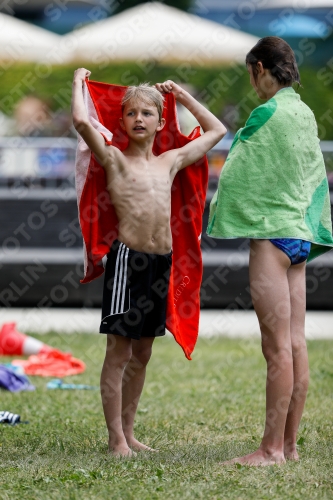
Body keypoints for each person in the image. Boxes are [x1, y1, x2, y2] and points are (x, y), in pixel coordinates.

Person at [72, 68, 226, 457]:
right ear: (121, 122)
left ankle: (129, 431)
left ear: (160, 123)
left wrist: (181, 97)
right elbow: (79, 120)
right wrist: (78, 81)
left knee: (143, 353)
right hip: (128, 263)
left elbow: (217, 130)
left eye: (147, 113)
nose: (138, 119)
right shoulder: (114, 159)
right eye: (130, 113)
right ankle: (115, 440)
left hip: (161, 265)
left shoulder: (170, 161)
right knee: (119, 351)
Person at [207, 37, 333, 466]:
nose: (253, 85)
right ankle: (291, 446)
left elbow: (240, 172)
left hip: (273, 240)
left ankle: (270, 450)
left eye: (251, 75)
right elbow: (309, 174)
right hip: (299, 237)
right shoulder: (304, 112)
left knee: (275, 348)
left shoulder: (268, 113)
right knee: (296, 343)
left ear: (259, 68)